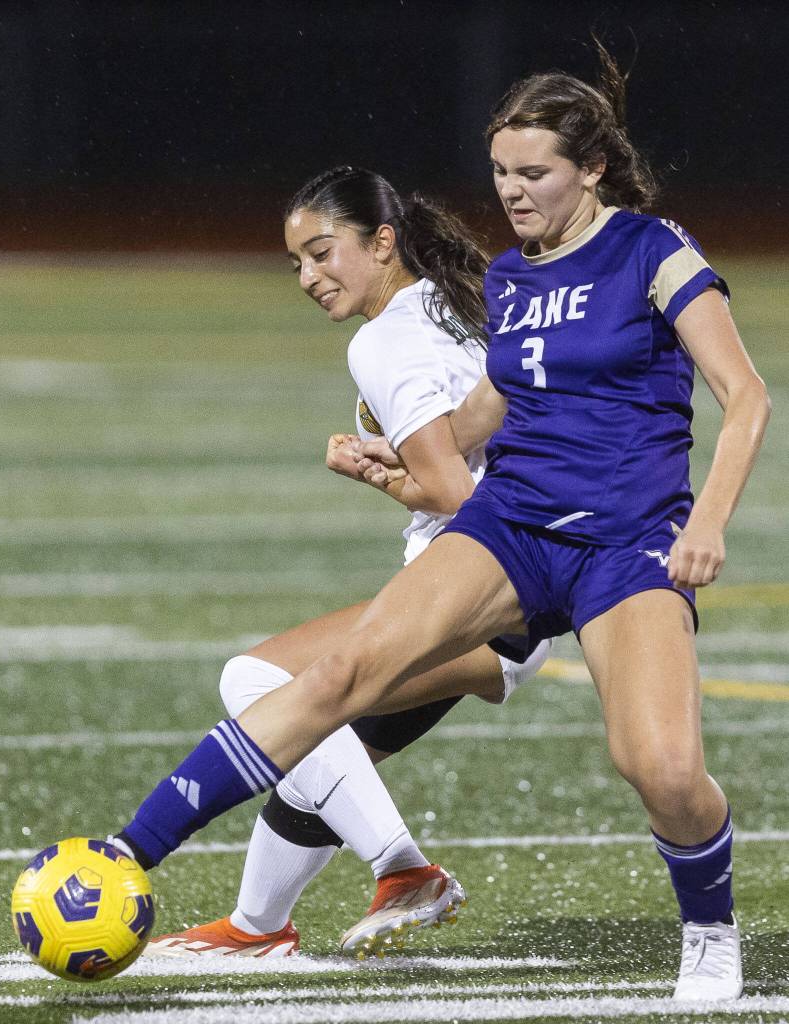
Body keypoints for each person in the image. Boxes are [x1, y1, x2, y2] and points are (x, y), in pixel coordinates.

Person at [112, 48, 770, 1001]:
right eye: (501, 172)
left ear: (589, 169)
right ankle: (126, 852)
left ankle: (709, 928)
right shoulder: (511, 279)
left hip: (627, 547)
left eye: (533, 172)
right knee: (336, 672)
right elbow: (482, 415)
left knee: (659, 768)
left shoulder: (652, 251)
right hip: (509, 530)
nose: (511, 191)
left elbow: (744, 397)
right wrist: (388, 458)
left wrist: (705, 523)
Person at [141, 167, 550, 961]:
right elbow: (470, 462)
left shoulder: (385, 336)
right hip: (516, 584)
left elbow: (451, 492)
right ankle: (258, 928)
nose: (308, 276)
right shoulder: (450, 303)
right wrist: (385, 466)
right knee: (323, 759)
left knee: (257, 684)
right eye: (297, 262)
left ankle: (405, 871)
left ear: (382, 241)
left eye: (323, 253)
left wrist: (391, 476)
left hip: (481, 592)